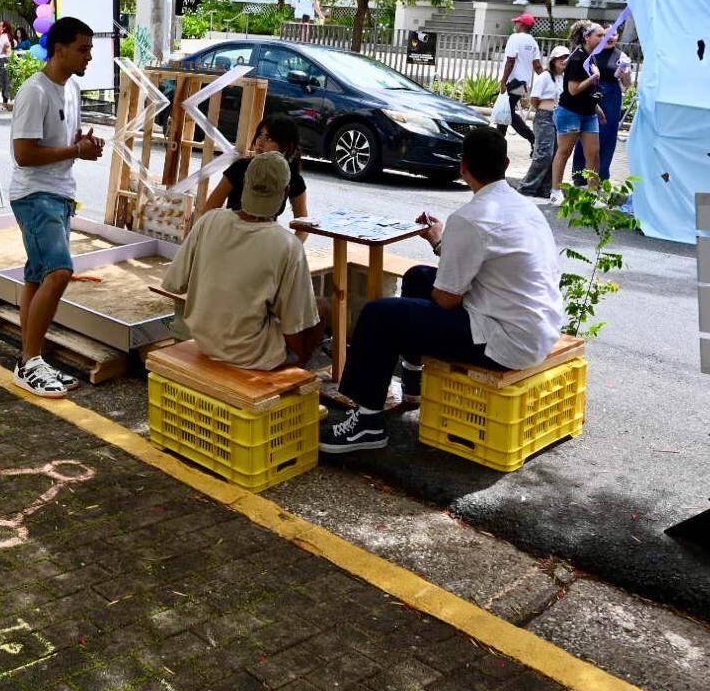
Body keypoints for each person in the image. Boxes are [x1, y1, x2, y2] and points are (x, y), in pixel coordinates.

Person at [321, 129, 565, 453]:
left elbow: (446, 299)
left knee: (379, 315)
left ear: (463, 167)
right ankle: (413, 383)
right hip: (536, 327)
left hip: (504, 340)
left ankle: (367, 422)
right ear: (506, 163)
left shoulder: (470, 217)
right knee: (417, 276)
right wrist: (439, 241)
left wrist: (444, 251)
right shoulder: (523, 207)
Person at [8, 16, 104, 397]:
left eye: (90, 49)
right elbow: (24, 153)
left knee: (38, 275)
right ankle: (30, 361)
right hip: (35, 194)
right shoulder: (35, 91)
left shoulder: (72, 89)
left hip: (60, 191)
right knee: (60, 271)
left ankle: (29, 359)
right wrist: (75, 150)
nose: (89, 56)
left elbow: (64, 139)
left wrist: (82, 144)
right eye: (83, 49)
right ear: (59, 49)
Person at [162, 152, 324, 370]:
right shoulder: (287, 245)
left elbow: (174, 283)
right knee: (321, 310)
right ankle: (295, 372)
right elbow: (295, 326)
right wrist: (299, 354)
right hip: (249, 355)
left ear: (245, 183)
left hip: (204, 340)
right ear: (285, 192)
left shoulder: (209, 221)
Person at [198, 117, 310, 239]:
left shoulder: (293, 179)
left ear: (287, 146)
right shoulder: (240, 168)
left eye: (269, 138)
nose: (260, 143)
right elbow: (210, 208)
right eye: (259, 135)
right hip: (230, 235)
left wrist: (291, 249)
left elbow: (303, 226)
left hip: (265, 242)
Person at [548, 23, 606, 204]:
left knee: (594, 154)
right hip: (570, 112)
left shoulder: (592, 57)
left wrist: (598, 108)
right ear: (587, 37)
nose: (603, 39)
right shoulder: (576, 59)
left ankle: (592, 195)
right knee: (564, 151)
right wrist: (593, 78)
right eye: (599, 35)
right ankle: (555, 191)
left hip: (589, 113)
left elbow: (588, 92)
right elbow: (573, 90)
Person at [572, 27, 634, 184]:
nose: (610, 37)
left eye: (613, 34)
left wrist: (625, 72)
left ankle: (601, 175)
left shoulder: (622, 55)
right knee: (585, 132)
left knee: (607, 135)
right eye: (605, 34)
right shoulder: (592, 53)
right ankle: (579, 175)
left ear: (617, 36)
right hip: (591, 91)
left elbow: (627, 84)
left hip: (612, 95)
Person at [516, 45, 570, 198]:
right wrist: (544, 110)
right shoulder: (545, 76)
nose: (564, 61)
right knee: (544, 154)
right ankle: (527, 187)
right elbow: (534, 99)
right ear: (553, 60)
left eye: (566, 58)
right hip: (545, 117)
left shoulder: (564, 78)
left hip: (559, 118)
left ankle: (545, 187)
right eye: (561, 58)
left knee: (555, 154)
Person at [500, 13, 543, 145]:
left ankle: (532, 138)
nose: (515, 25)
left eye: (517, 23)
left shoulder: (515, 38)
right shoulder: (533, 42)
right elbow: (537, 66)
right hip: (523, 84)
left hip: (512, 82)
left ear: (523, 25)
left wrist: (503, 82)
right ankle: (499, 140)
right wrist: (548, 79)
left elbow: (510, 61)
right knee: (505, 111)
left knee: (508, 113)